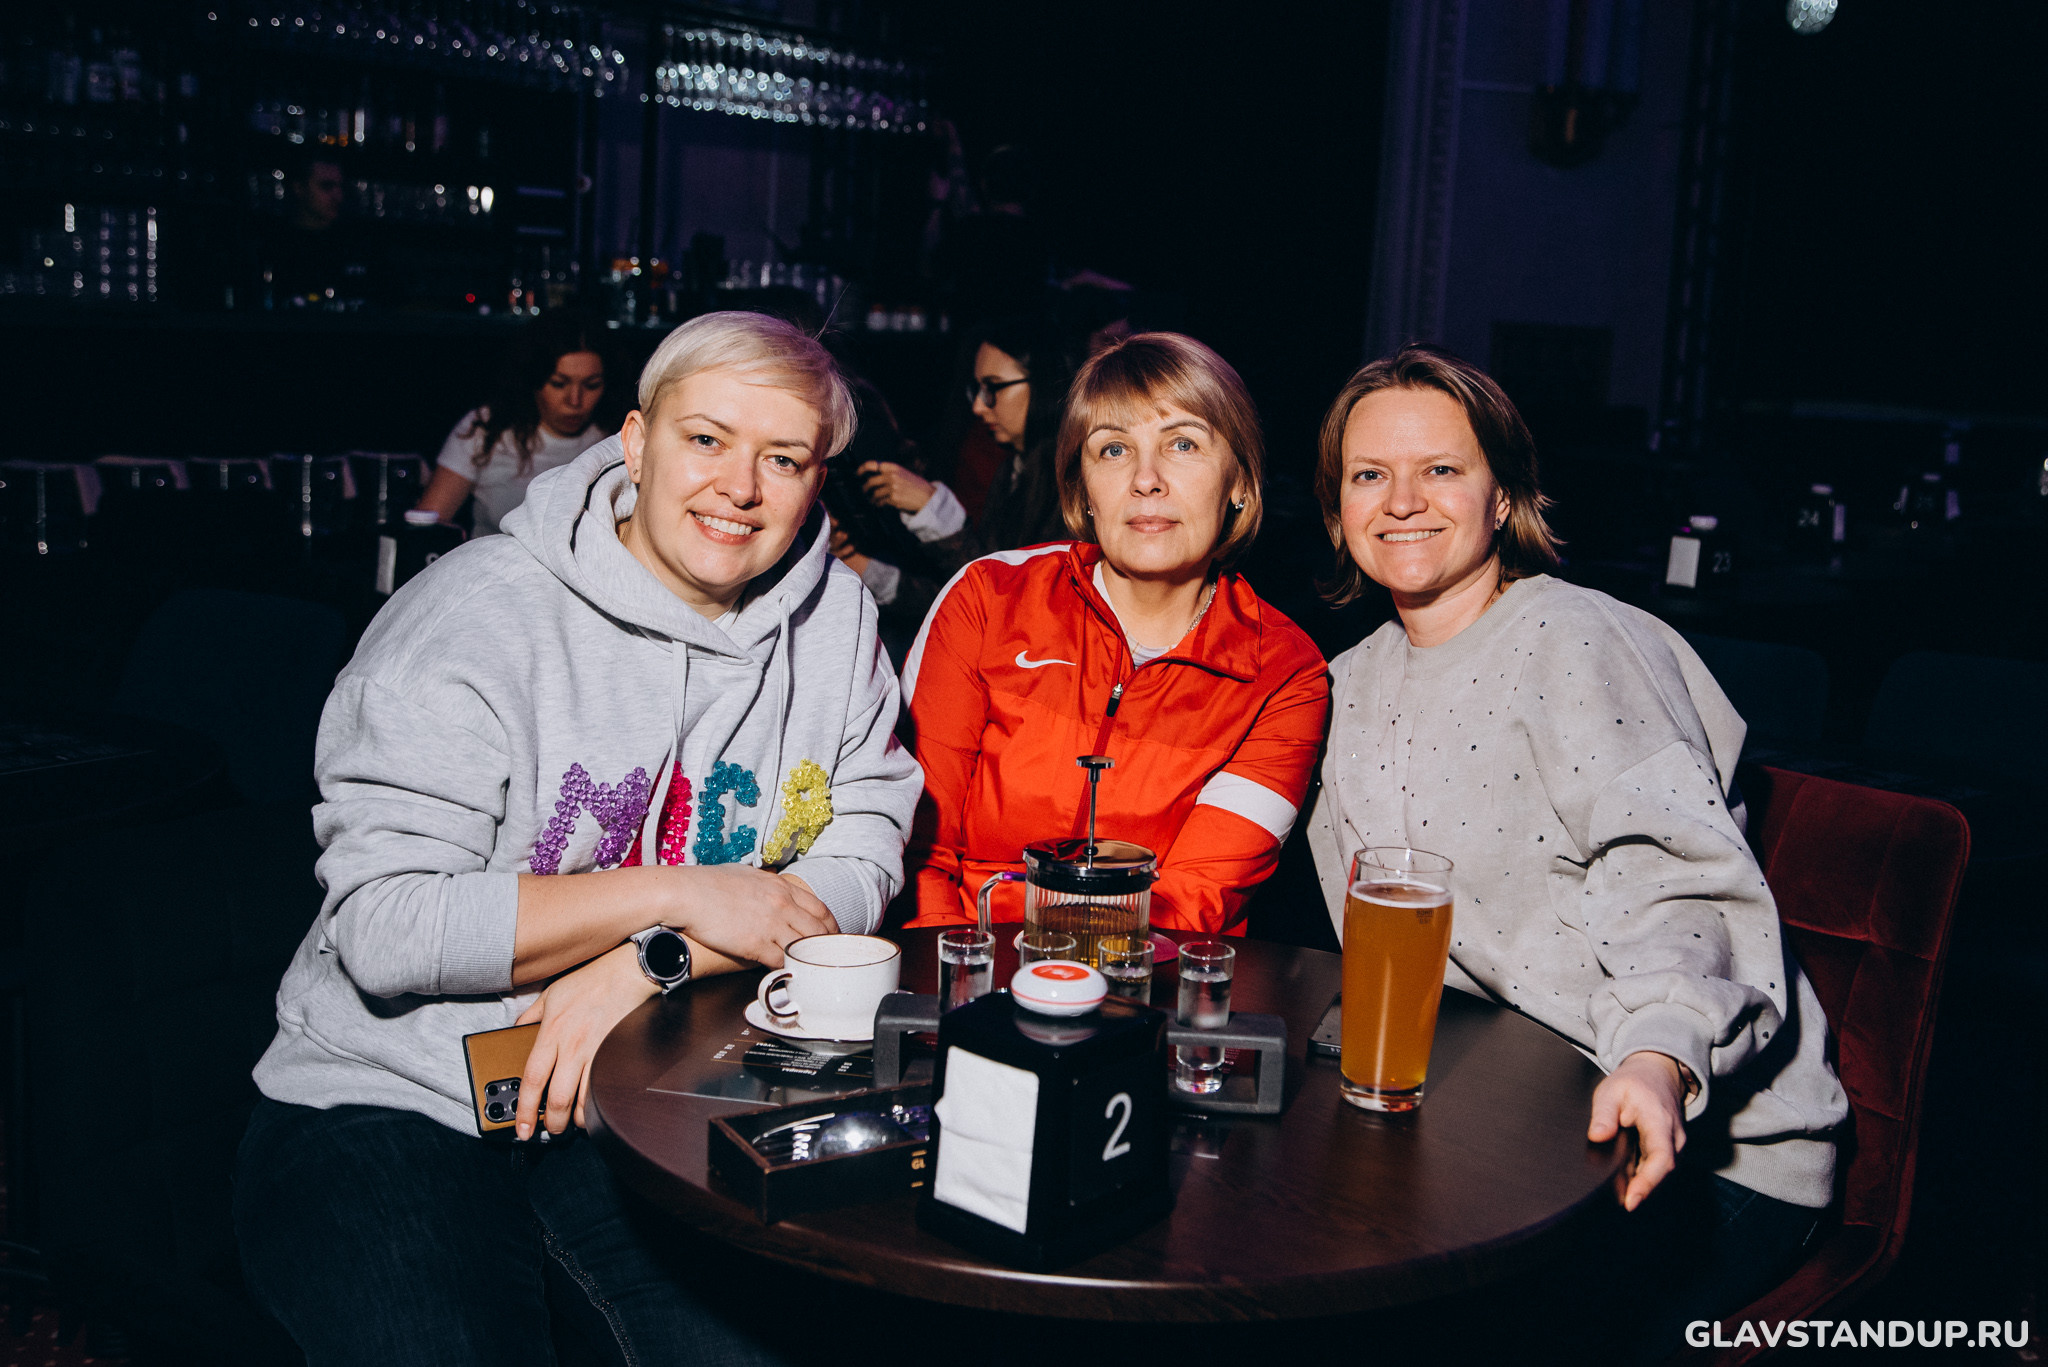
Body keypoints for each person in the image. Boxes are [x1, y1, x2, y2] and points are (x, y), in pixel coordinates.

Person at [235, 312, 923, 1365]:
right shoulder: (473, 614)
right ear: (636, 443)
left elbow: (869, 831)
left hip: (646, 1095)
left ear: (815, 479)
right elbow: (385, 926)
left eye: (781, 458)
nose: (739, 487)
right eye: (706, 439)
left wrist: (655, 959)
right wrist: (681, 891)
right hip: (394, 1099)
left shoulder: (833, 619)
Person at [1303, 343, 1848, 1354]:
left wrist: (1657, 1054)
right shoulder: (1341, 685)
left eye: (1441, 468)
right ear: (1337, 510)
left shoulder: (1579, 639)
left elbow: (1671, 878)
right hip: (1506, 1119)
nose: (1403, 500)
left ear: (1503, 495)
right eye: (1369, 473)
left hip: (1703, 1148)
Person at [901, 332, 1329, 932]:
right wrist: (952, 974)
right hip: (964, 960)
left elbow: (1197, 898)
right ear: (1082, 489)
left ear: (1239, 482)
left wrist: (1070, 980)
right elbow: (918, 850)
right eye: (1113, 449)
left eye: (1183, 444)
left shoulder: (1284, 672)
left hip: (1148, 975)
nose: (1146, 479)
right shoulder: (988, 599)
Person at [832, 314, 1077, 636]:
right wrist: (862, 567)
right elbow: (962, 596)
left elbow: (1005, 604)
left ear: (1044, 384)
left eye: (993, 388)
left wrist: (934, 510)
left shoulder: (1072, 482)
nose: (979, 407)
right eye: (977, 390)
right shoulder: (1014, 469)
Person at [414, 311, 613, 535]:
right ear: (533, 379)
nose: (574, 401)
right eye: (558, 384)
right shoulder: (488, 429)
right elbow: (428, 523)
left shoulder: (618, 435)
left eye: (591, 385)